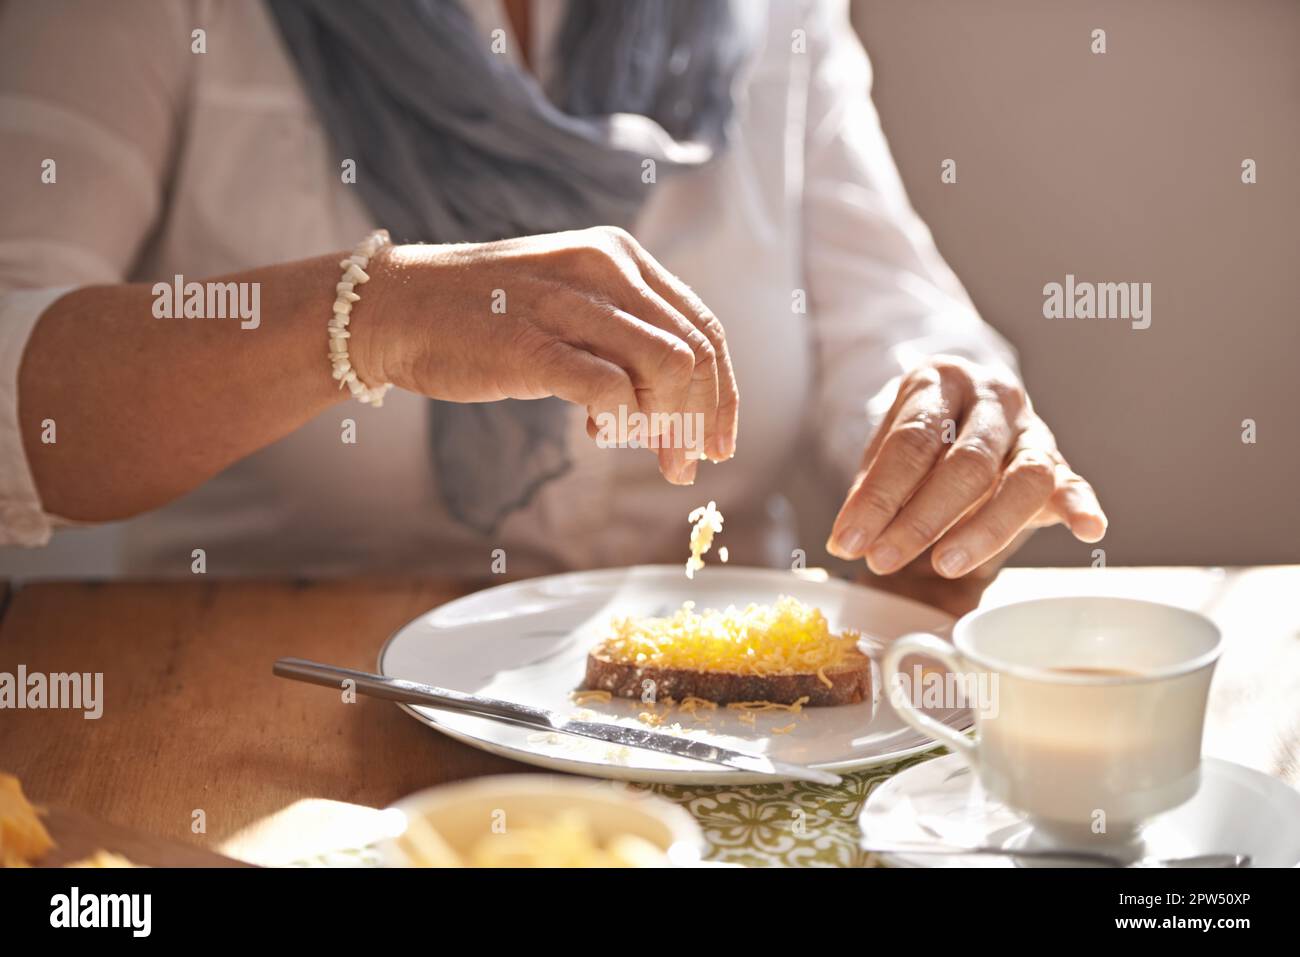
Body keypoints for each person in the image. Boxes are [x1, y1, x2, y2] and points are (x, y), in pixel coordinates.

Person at [0, 0, 1105, 580]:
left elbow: (893, 315)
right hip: (280, 697)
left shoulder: (772, 13)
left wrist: (945, 419)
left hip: (718, 736)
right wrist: (376, 313)